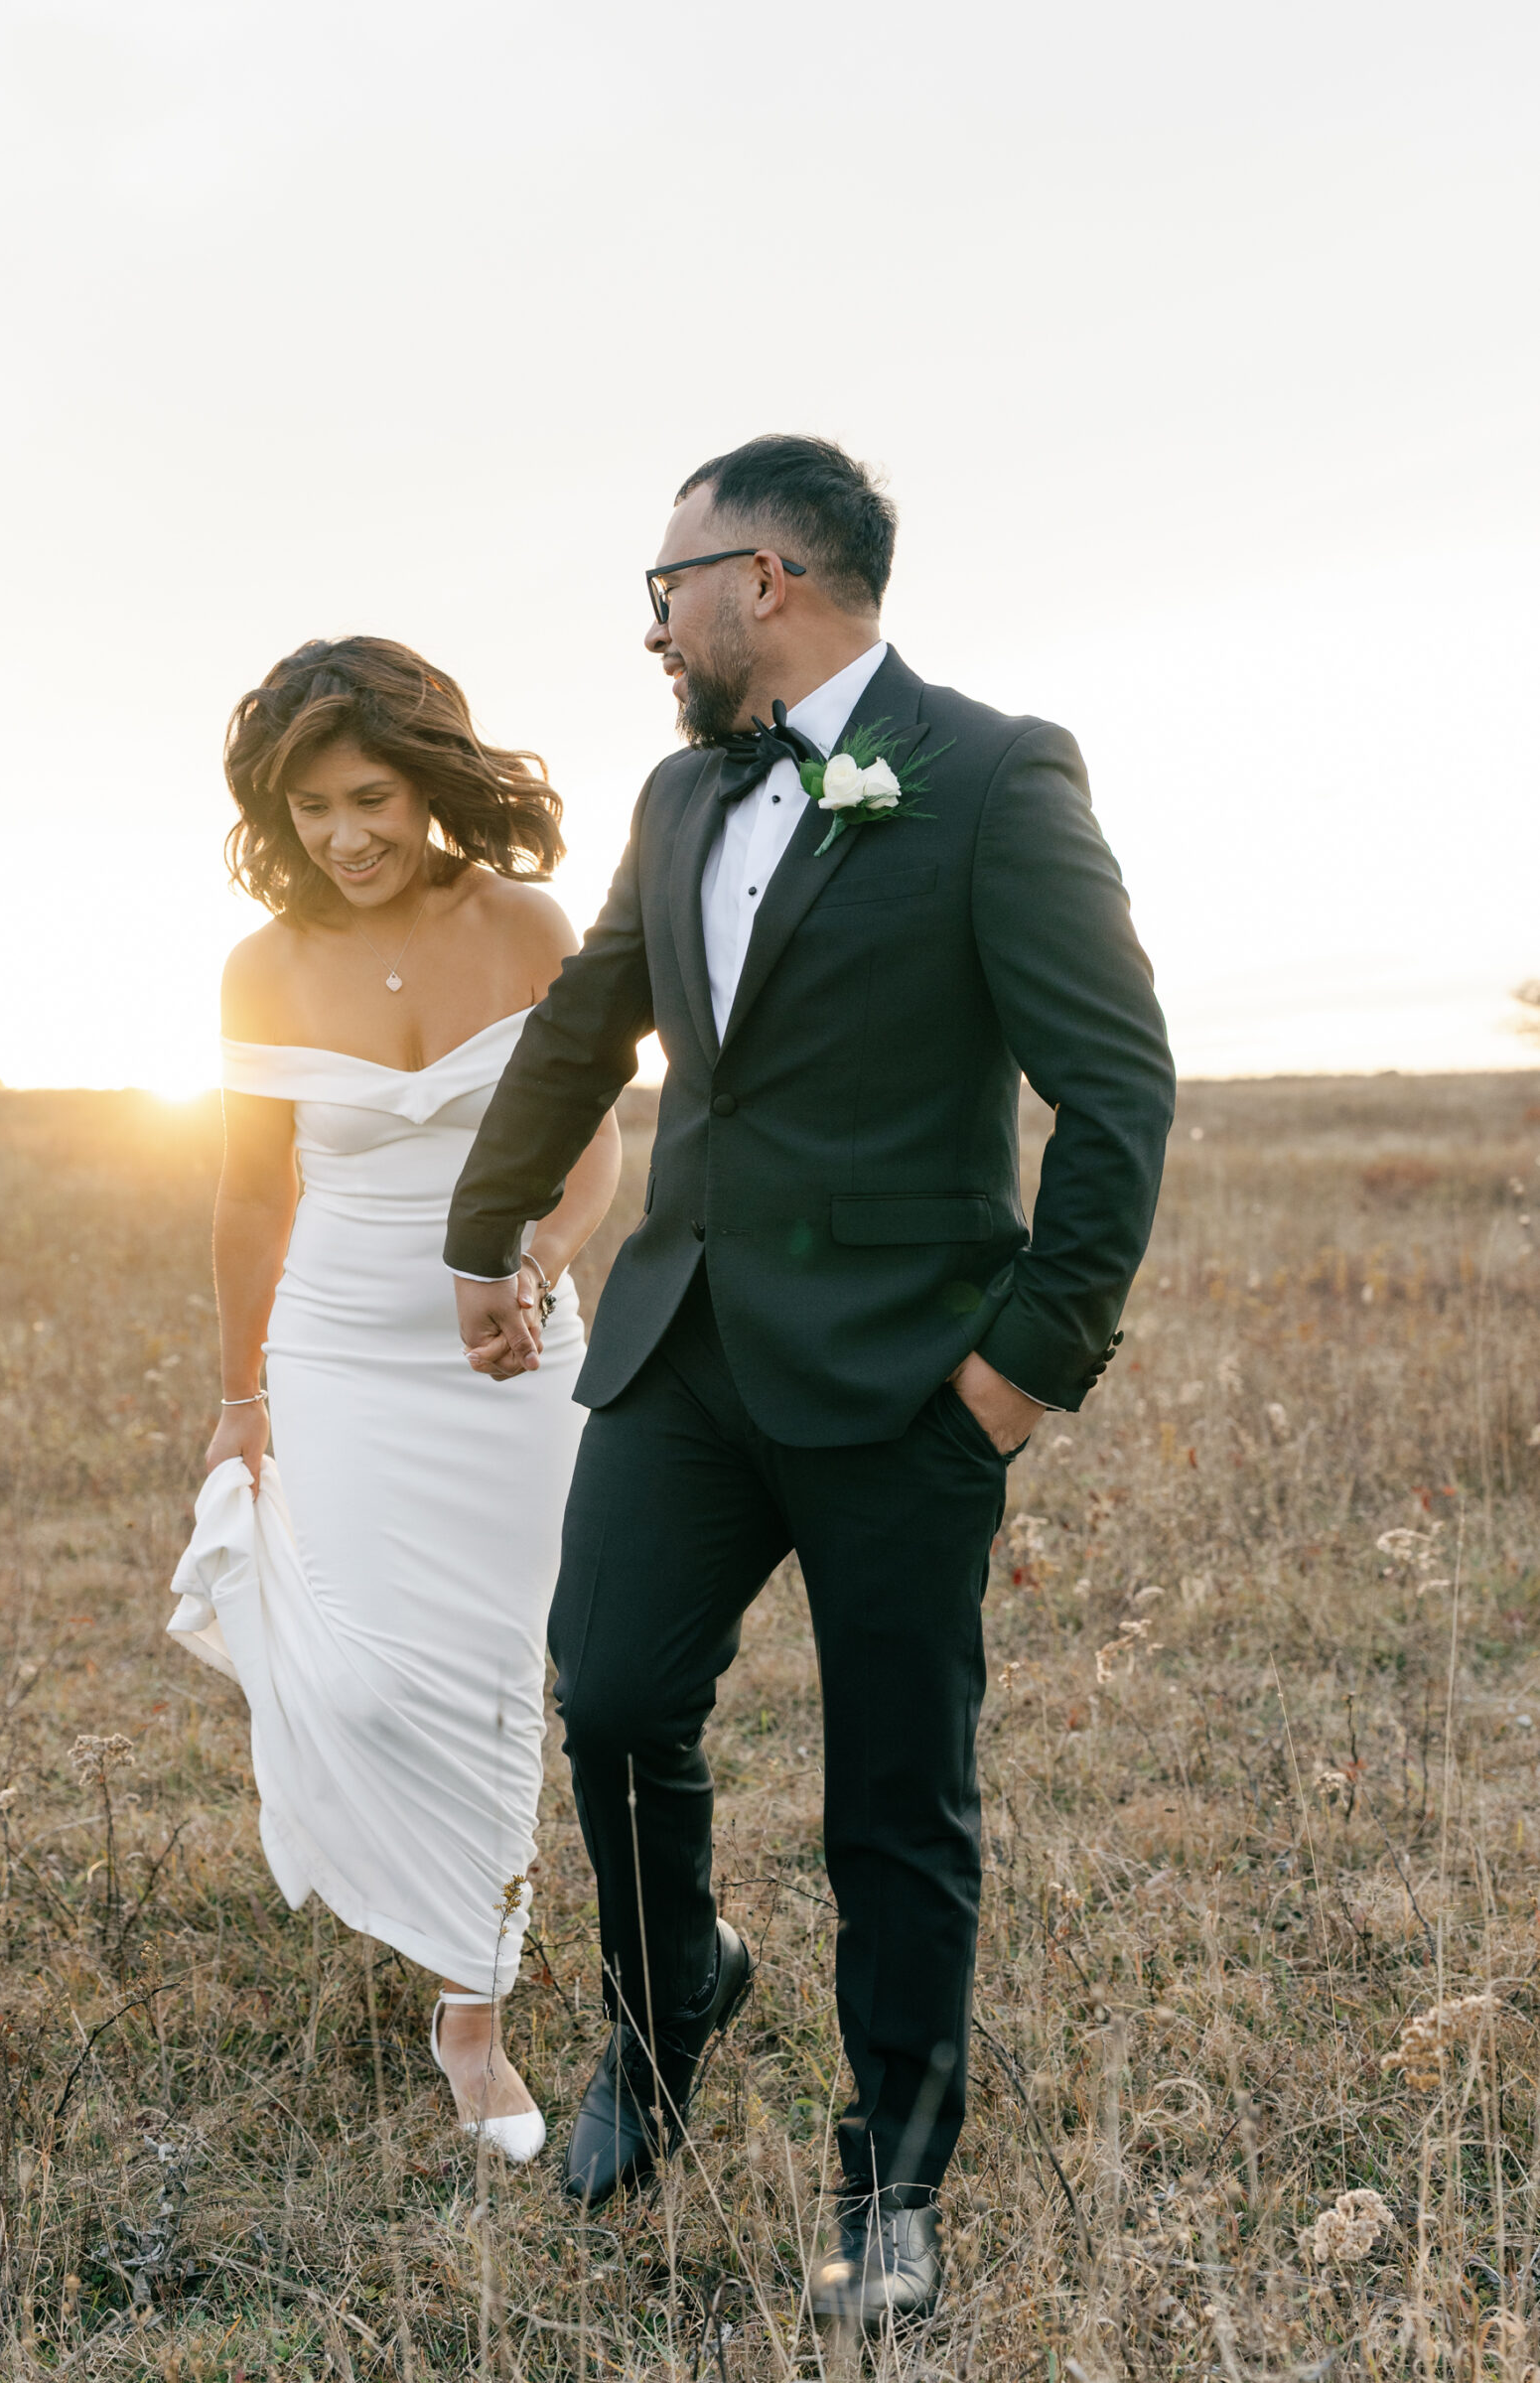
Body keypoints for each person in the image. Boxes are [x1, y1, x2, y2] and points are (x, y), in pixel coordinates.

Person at [447, 437, 1175, 2316]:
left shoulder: (997, 776)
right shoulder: (681, 793)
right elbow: (586, 1015)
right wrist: (482, 1233)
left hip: (904, 1381)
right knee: (606, 1704)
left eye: (664, 585)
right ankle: (668, 1995)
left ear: (761, 579)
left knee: (894, 1798)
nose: (654, 625)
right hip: (681, 1353)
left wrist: (1024, 1369)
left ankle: (892, 2186)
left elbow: (1114, 1088)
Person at [167, 635, 621, 2165]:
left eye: (369, 798)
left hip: (511, 1353)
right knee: (369, 1680)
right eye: (309, 812)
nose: (345, 837)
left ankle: (471, 2013)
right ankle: (400, 1882)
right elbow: (249, 1197)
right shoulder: (260, 967)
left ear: (428, 785)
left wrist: (542, 1263)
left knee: (504, 1678)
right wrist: (239, 1396)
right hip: (342, 1351)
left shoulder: (527, 923)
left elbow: (594, 1141)